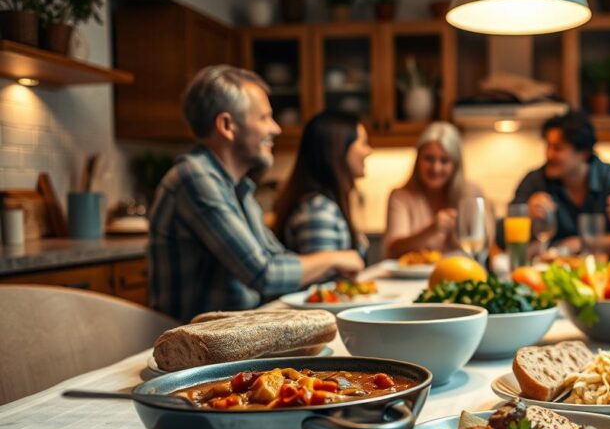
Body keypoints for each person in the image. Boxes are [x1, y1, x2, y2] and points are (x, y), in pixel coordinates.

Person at [148, 65, 364, 321]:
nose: (276, 129)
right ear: (227, 125)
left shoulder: (238, 188)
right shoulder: (194, 178)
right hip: (193, 345)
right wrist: (335, 258)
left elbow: (276, 258)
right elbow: (264, 273)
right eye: (264, 117)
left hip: (233, 333)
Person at [511, 110, 610, 255]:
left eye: (557, 148)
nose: (549, 154)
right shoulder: (535, 181)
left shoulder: (609, 179)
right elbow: (501, 238)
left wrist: (582, 243)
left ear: (583, 153)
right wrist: (526, 215)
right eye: (548, 146)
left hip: (601, 274)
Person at [273, 110, 372, 259]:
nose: (369, 151)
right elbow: (323, 279)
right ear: (339, 148)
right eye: (363, 143)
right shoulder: (318, 212)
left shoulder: (325, 205)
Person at [383, 121, 485, 258]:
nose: (436, 168)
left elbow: (486, 244)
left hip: (461, 274)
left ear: (455, 165)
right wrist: (431, 229)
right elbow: (392, 251)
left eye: (444, 161)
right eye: (429, 159)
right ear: (418, 160)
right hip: (413, 279)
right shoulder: (400, 197)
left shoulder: (471, 193)